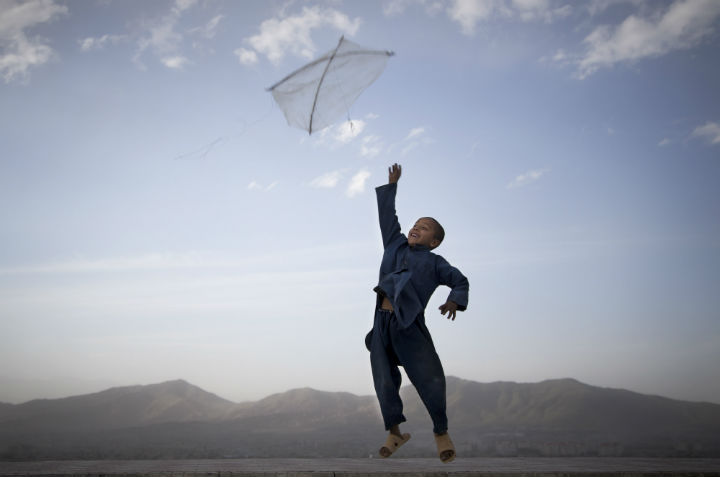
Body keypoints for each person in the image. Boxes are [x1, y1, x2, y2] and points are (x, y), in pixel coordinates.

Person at [365, 163, 469, 463]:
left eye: (424, 228)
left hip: (409, 326)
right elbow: (388, 217)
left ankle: (441, 431)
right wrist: (391, 185)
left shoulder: (436, 263)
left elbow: (459, 280)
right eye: (416, 224)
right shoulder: (394, 245)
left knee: (429, 377)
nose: (416, 228)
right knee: (383, 379)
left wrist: (454, 301)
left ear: (433, 241)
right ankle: (395, 432)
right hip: (381, 324)